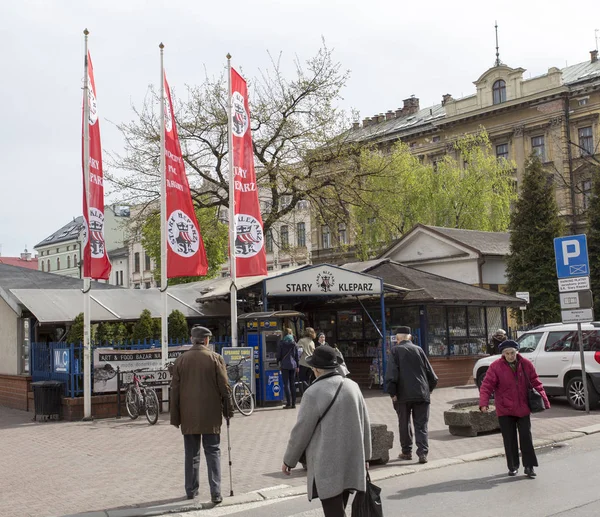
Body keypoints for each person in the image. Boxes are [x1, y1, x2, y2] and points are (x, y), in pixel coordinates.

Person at [282, 345, 371, 517]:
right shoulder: (353, 387)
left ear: (316, 369)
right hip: (352, 460)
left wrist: (289, 460)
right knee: (339, 510)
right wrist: (366, 456)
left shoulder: (313, 393)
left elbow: (301, 431)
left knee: (334, 512)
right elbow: (365, 423)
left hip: (327, 464)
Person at [170, 326, 232, 503]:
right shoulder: (215, 358)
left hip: (188, 416)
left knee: (191, 453)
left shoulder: (180, 360)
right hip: (211, 415)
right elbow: (224, 388)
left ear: (192, 339)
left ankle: (191, 490)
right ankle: (216, 492)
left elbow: (175, 391)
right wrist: (228, 411)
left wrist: (176, 417)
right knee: (213, 452)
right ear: (206, 340)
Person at [479, 339, 550, 478]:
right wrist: (483, 403)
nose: (510, 356)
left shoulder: (526, 364)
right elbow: (486, 385)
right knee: (509, 439)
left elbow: (536, 382)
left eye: (512, 352)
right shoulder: (495, 367)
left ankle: (529, 467)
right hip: (505, 409)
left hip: (523, 407)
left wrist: (544, 400)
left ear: (517, 352)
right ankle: (512, 466)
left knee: (526, 437)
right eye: (507, 353)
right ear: (503, 354)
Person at [385, 326, 438, 464]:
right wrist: (429, 389)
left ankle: (406, 452)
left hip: (403, 394)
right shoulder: (419, 350)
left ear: (397, 339)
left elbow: (392, 374)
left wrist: (393, 393)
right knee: (421, 425)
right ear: (410, 337)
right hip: (421, 392)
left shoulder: (395, 351)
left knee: (404, 423)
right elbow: (431, 374)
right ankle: (422, 453)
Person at [277, 328, 300, 408]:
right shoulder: (294, 343)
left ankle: (288, 403)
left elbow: (279, 355)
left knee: (286, 384)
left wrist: (278, 362)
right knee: (292, 384)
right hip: (293, 365)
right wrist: (297, 365)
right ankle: (294, 404)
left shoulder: (281, 343)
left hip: (284, 365)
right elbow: (297, 356)